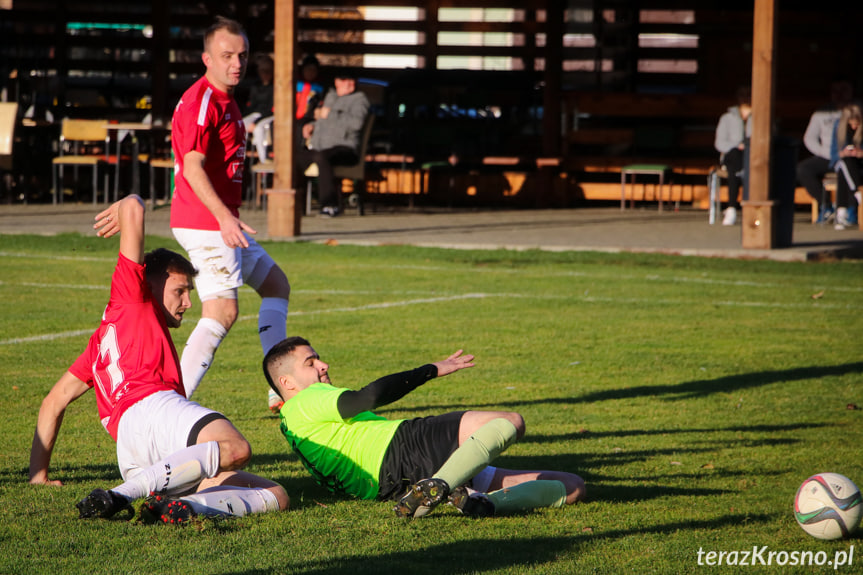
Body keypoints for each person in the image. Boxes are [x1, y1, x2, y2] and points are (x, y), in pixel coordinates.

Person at [29, 194, 289, 524]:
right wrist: (124, 207)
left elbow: (54, 401)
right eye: (180, 290)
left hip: (133, 449)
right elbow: (136, 206)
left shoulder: (100, 344)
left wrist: (37, 476)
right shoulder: (132, 297)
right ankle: (121, 494)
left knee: (274, 495)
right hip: (154, 409)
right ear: (148, 284)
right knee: (235, 448)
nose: (187, 303)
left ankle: (177, 506)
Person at [262, 337, 586, 519]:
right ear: (287, 383)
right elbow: (369, 397)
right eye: (311, 362)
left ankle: (468, 500)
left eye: (319, 358)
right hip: (403, 447)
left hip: (391, 484)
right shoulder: (306, 400)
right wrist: (431, 369)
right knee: (510, 422)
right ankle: (440, 485)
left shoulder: (293, 427)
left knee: (571, 486)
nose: (323, 365)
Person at [169, 17, 292, 413]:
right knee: (222, 311)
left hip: (222, 220)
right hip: (206, 221)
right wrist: (224, 217)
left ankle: (280, 386)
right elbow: (191, 166)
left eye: (241, 55)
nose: (236, 63)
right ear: (207, 58)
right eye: (226, 56)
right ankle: (171, 403)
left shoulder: (226, 98)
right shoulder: (204, 100)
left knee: (276, 285)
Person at [296, 70, 370, 217]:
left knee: (322, 157)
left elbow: (357, 124)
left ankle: (329, 205)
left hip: (345, 148)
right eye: (345, 80)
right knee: (295, 158)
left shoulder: (359, 99)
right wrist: (312, 125)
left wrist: (330, 114)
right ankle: (296, 204)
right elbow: (324, 121)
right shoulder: (329, 97)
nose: (350, 83)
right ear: (336, 82)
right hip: (320, 147)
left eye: (352, 79)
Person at [796, 79, 855, 223]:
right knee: (803, 169)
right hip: (827, 155)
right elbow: (809, 139)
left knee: (846, 167)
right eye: (836, 91)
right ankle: (826, 206)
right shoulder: (821, 113)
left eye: (844, 90)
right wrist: (828, 153)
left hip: (851, 156)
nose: (840, 95)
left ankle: (849, 210)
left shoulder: (857, 111)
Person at [714, 86, 752, 226]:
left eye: (748, 94)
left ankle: (736, 207)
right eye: (742, 94)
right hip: (732, 156)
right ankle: (731, 208)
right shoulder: (727, 118)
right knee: (735, 159)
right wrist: (737, 145)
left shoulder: (761, 116)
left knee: (744, 163)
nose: (745, 98)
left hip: (752, 157)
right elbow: (719, 143)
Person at [830, 103, 863, 230]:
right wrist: (842, 153)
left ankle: (841, 212)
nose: (854, 127)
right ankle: (857, 193)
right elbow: (833, 153)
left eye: (857, 124)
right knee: (844, 162)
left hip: (859, 164)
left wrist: (860, 153)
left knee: (844, 168)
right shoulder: (839, 128)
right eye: (851, 124)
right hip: (845, 163)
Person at [243, 53, 275, 161]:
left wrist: (255, 123)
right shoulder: (256, 86)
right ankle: (239, 160)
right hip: (256, 114)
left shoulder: (275, 87)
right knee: (240, 125)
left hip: (269, 115)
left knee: (258, 129)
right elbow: (251, 106)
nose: (265, 74)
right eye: (262, 70)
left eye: (268, 70)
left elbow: (271, 108)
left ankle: (263, 159)